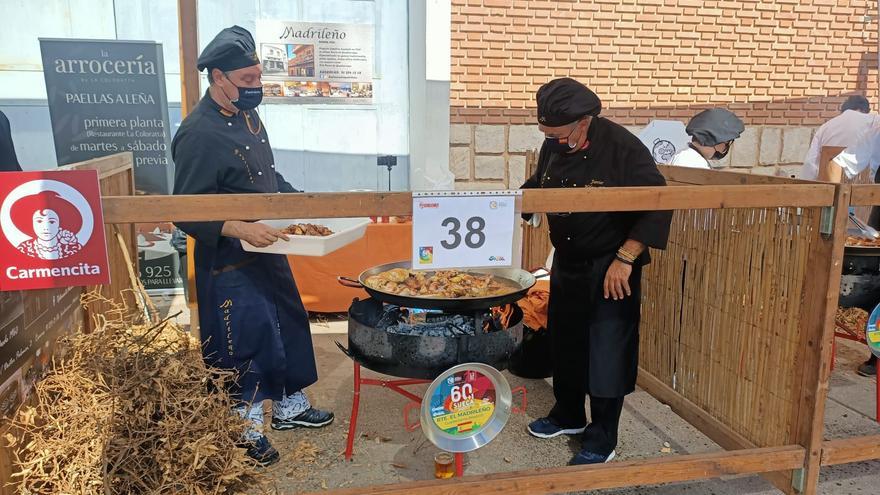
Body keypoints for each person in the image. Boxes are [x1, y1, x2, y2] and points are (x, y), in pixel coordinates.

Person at [171, 26, 333, 467]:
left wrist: (297, 202)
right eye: (247, 82)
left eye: (259, 78)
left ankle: (289, 407)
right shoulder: (197, 133)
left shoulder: (250, 117)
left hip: (270, 246)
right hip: (229, 258)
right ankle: (243, 429)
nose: (256, 89)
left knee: (287, 321)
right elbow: (184, 209)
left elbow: (264, 178)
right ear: (218, 77)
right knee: (241, 339)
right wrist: (240, 228)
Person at [521, 78, 673, 465]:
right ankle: (568, 414)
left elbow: (658, 201)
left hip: (611, 265)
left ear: (584, 121)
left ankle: (602, 438)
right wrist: (519, 202)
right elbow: (541, 182)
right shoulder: (554, 143)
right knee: (566, 340)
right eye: (546, 134)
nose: (552, 140)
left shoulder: (622, 146)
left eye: (558, 133)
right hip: (569, 262)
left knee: (606, 349)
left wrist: (626, 258)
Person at [800, 95, 878, 181]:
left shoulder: (825, 127)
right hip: (866, 189)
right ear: (866, 110)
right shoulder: (874, 121)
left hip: (830, 186)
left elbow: (810, 164)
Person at [10, 191, 83, 259]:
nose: (46, 227)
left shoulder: (73, 248)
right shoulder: (24, 248)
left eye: (52, 222)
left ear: (60, 225)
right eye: (39, 221)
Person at [669, 108, 745, 169]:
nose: (726, 147)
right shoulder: (691, 162)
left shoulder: (689, 157)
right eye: (727, 142)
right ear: (720, 140)